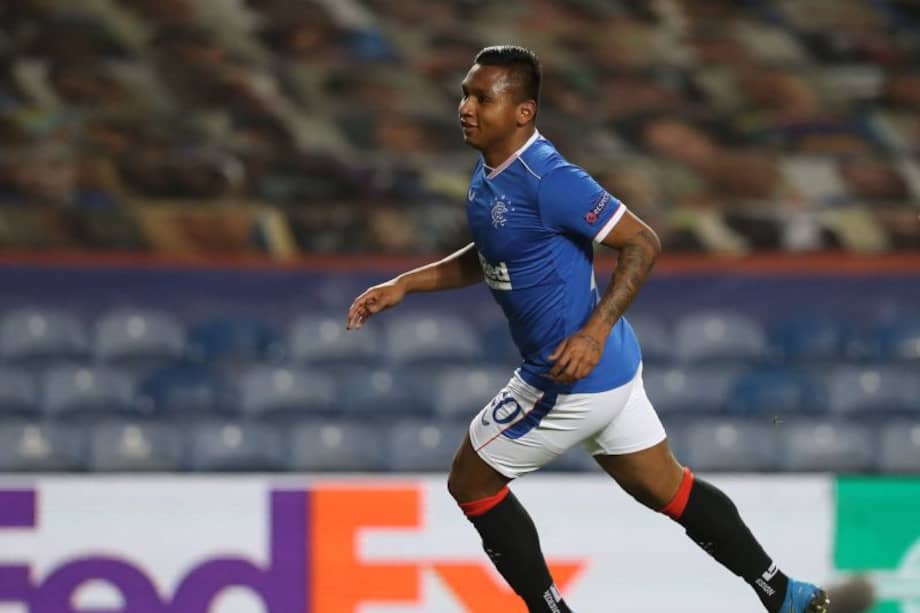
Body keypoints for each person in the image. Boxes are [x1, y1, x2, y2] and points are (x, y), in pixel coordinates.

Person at [346, 45, 829, 613]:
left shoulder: (551, 178)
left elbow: (642, 242)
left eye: (482, 97)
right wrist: (407, 283)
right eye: (465, 94)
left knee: (470, 483)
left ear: (523, 111)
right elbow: (496, 252)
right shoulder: (488, 173)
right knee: (669, 489)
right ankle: (783, 592)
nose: (466, 108)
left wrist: (594, 331)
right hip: (614, 370)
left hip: (571, 374)